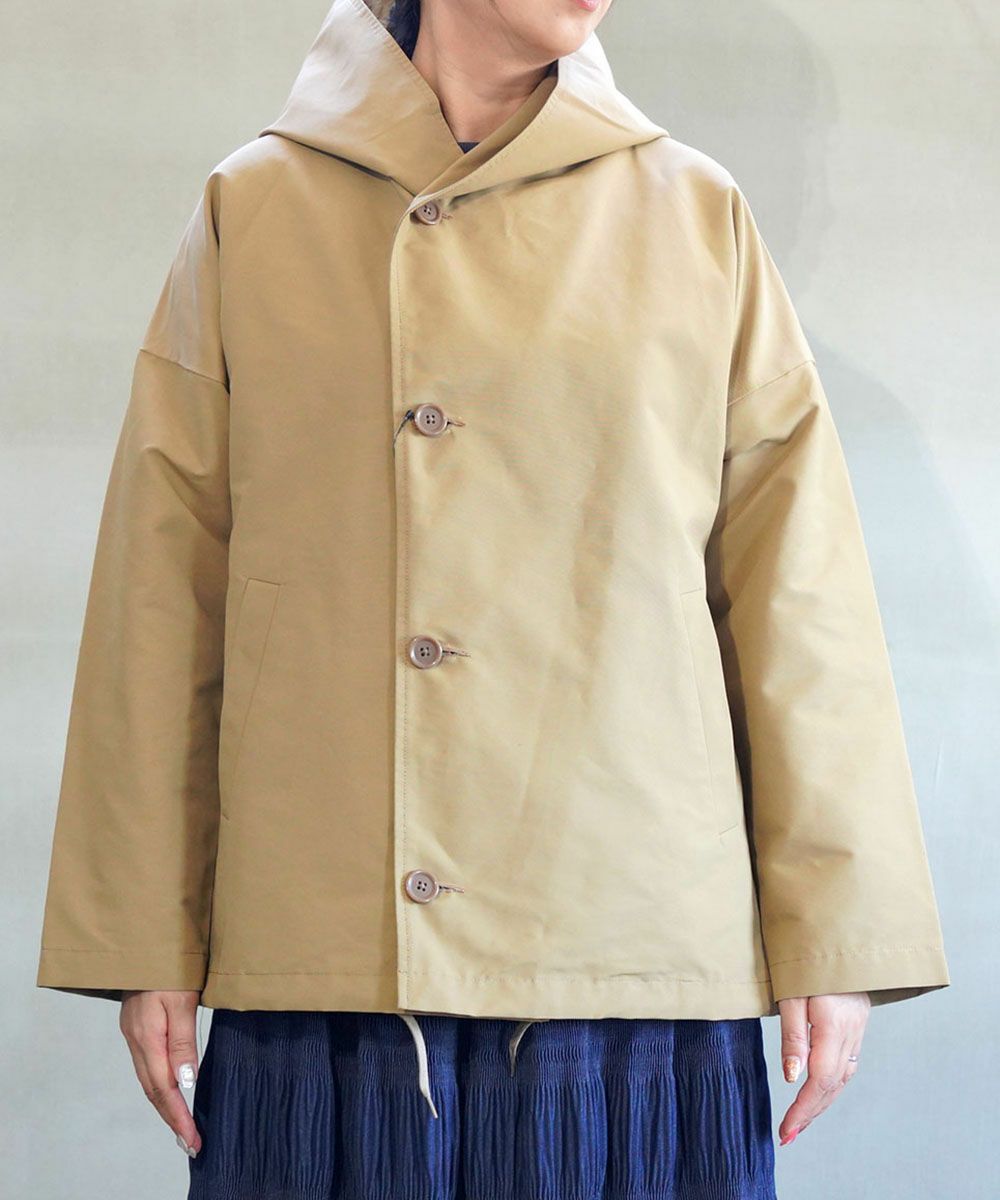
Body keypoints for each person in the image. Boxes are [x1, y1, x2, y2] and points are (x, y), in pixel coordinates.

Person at [35, 1, 951, 1197]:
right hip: (330, 954)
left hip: (627, 949)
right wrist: (143, 931)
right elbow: (164, 589)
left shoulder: (692, 212)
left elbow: (797, 591)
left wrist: (837, 929)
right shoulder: (254, 208)